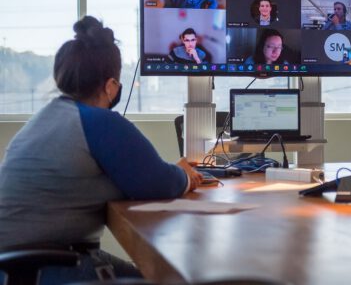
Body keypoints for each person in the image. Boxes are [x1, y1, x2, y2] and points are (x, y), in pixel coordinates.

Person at [0, 16, 202, 283]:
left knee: (153, 275)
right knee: (172, 281)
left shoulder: (47, 118)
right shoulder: (97, 121)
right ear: (110, 86)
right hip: (45, 267)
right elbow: (159, 183)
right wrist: (186, 174)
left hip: (18, 266)